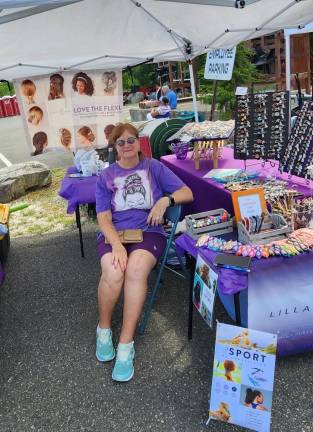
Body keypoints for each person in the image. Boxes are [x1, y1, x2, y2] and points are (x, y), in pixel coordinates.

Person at [95, 123, 193, 382]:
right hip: (114, 234)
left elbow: (187, 192)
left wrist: (165, 200)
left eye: (131, 140)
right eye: (121, 142)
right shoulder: (105, 177)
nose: (127, 145)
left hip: (149, 232)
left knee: (136, 271)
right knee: (114, 271)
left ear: (139, 143)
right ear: (114, 148)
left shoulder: (154, 168)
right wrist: (116, 244)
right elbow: (103, 218)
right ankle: (103, 329)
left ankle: (125, 345)